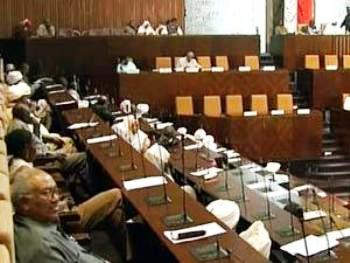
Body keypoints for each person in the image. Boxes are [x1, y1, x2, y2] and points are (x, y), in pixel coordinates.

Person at [12, 167, 126, 262]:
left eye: (55, 192)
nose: (56, 199)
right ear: (24, 203)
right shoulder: (42, 248)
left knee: (117, 214)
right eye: (47, 193)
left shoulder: (40, 221)